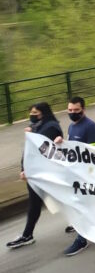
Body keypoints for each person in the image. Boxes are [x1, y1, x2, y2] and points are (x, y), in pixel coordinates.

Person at [6, 102, 62, 250]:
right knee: (35, 203)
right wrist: (24, 168)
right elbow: (29, 151)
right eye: (31, 113)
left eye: (36, 113)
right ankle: (27, 235)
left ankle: (27, 235)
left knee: (57, 199)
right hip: (35, 173)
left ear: (44, 113)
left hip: (43, 173)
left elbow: (40, 151)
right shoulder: (37, 127)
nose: (32, 116)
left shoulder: (50, 127)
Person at [56, 96, 95, 256]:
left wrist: (87, 176)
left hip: (86, 176)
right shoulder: (71, 127)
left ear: (84, 110)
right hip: (75, 174)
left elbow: (94, 155)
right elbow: (72, 149)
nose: (73, 113)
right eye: (70, 110)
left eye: (76, 110)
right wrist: (62, 143)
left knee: (84, 206)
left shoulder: (91, 127)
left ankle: (82, 239)